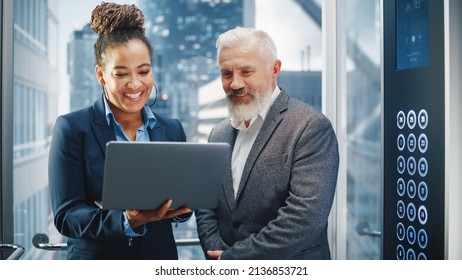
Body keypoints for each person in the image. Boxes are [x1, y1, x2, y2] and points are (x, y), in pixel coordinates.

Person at [48, 2, 191, 260]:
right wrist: (127, 220)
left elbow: (181, 203)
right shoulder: (72, 129)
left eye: (144, 71)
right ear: (101, 75)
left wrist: (184, 203)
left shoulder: (172, 129)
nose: (135, 84)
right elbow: (66, 216)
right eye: (121, 74)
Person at [195, 27, 339, 260]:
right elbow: (206, 205)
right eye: (226, 73)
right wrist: (216, 253)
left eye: (246, 71)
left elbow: (304, 218)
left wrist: (233, 259)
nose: (235, 83)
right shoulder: (218, 133)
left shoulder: (310, 126)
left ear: (274, 69)